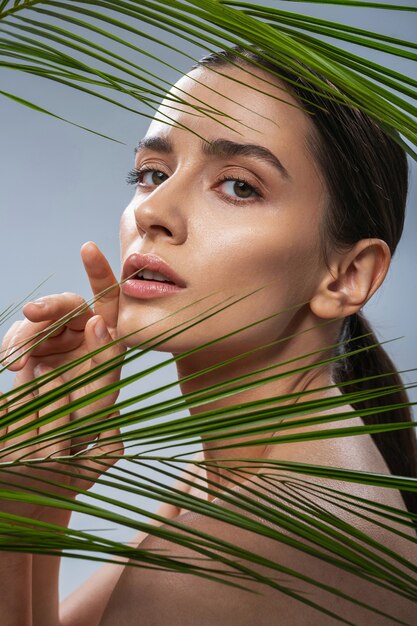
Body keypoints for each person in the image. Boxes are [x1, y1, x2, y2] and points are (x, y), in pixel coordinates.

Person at [1, 46, 416, 625]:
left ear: (348, 276)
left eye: (239, 187)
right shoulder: (233, 474)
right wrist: (37, 497)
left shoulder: (253, 555)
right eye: (152, 173)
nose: (154, 212)